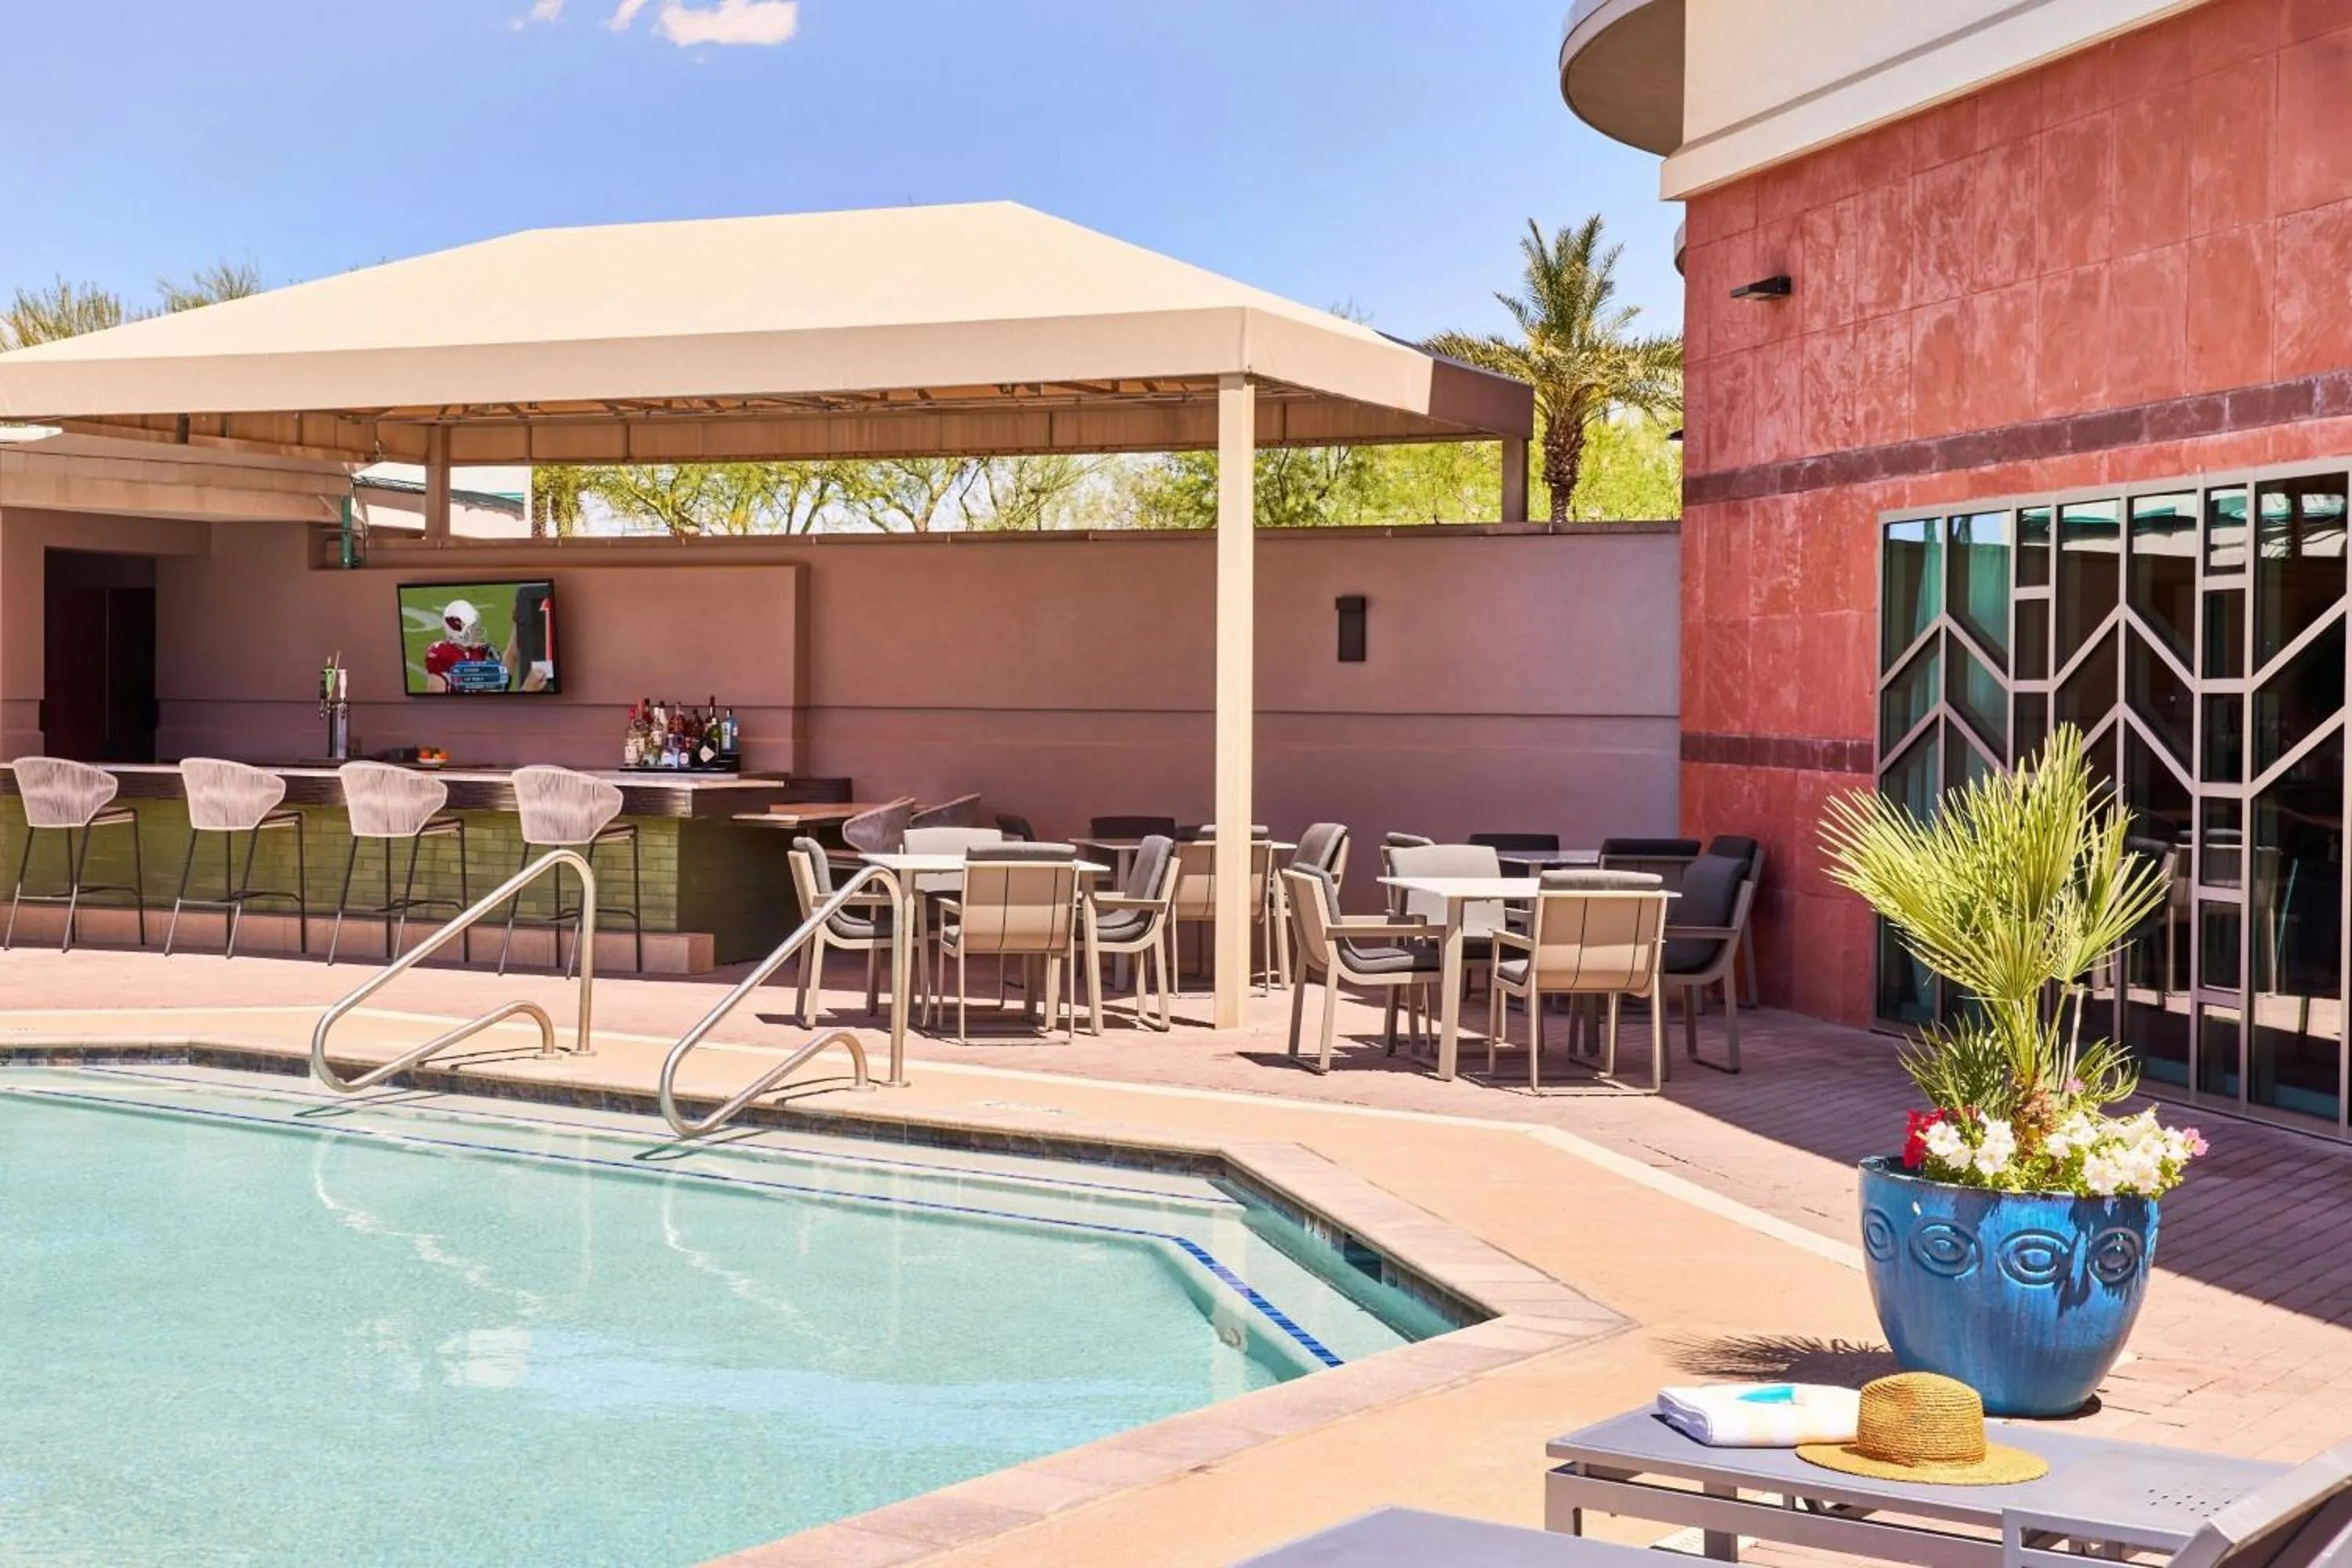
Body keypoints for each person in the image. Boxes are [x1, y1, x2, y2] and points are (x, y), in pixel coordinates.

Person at [423, 598, 507, 693]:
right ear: (457, 630)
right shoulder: (442, 654)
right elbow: (436, 702)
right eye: (472, 628)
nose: (476, 631)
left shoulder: (483, 652)